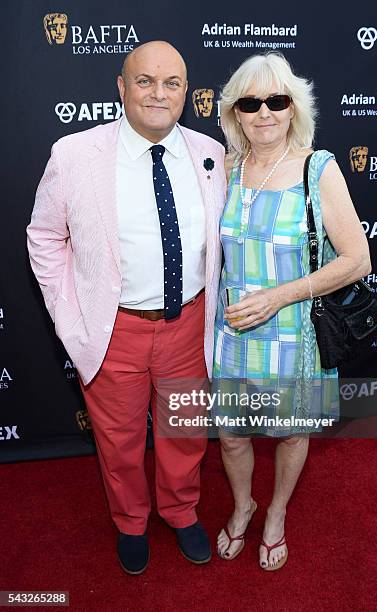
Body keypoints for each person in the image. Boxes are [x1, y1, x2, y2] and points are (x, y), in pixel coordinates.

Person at [27, 41, 226, 575]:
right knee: (119, 441)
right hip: (115, 329)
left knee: (183, 430)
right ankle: (131, 522)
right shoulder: (74, 155)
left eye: (172, 83)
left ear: (186, 91)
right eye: (145, 81)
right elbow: (45, 237)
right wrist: (70, 316)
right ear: (121, 87)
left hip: (189, 322)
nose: (158, 94)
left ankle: (181, 511)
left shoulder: (211, 153)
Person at [212, 52, 371, 570]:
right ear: (235, 112)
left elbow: (358, 259)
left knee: (291, 433)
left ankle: (276, 513)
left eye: (276, 101)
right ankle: (243, 505)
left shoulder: (316, 169)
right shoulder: (226, 169)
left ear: (293, 108)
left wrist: (279, 296)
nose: (264, 113)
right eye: (251, 102)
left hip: (294, 333)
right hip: (234, 334)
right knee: (233, 435)